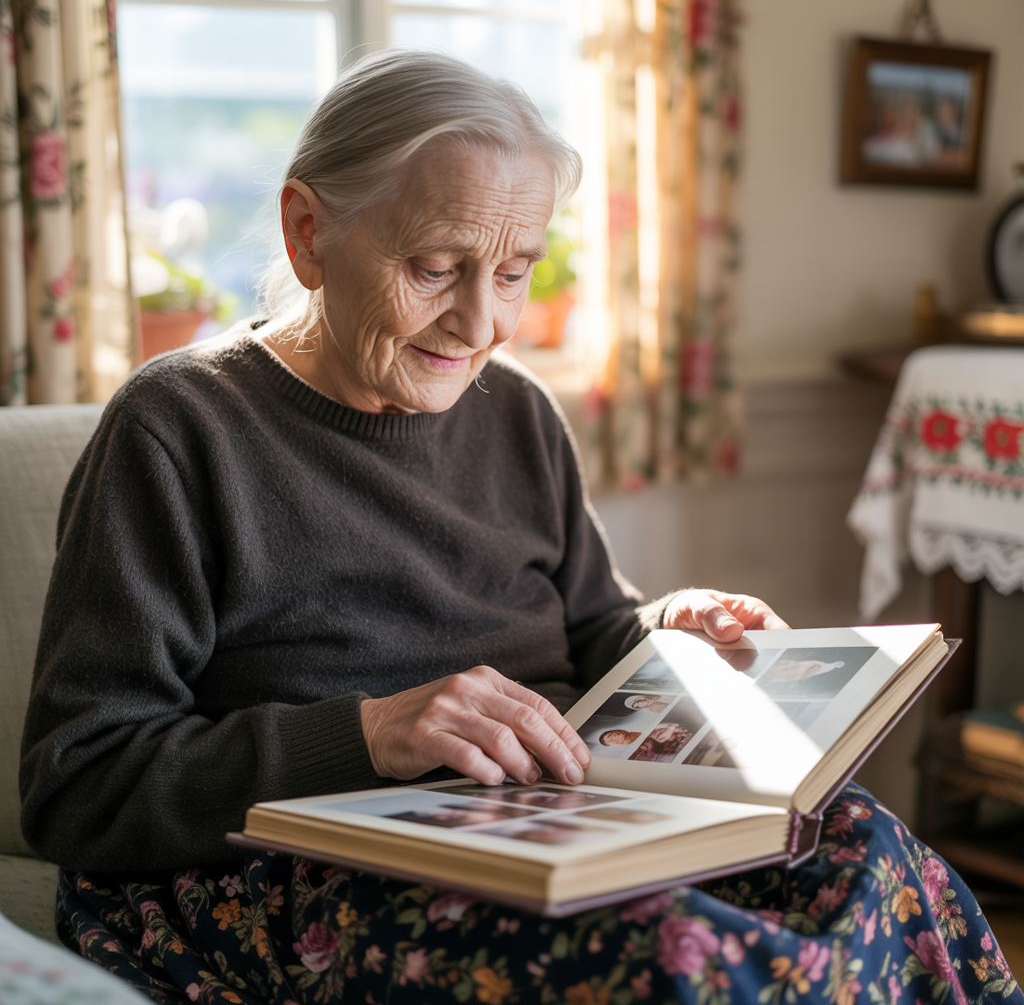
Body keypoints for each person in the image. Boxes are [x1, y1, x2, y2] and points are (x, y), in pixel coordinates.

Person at [20, 50, 1018, 1005]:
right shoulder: (179, 429)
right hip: (290, 865)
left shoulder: (516, 411)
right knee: (677, 954)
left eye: (513, 272)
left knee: (869, 849)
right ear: (306, 231)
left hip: (546, 821)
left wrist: (675, 629)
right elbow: (82, 781)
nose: (479, 323)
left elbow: (596, 629)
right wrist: (372, 731)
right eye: (438, 265)